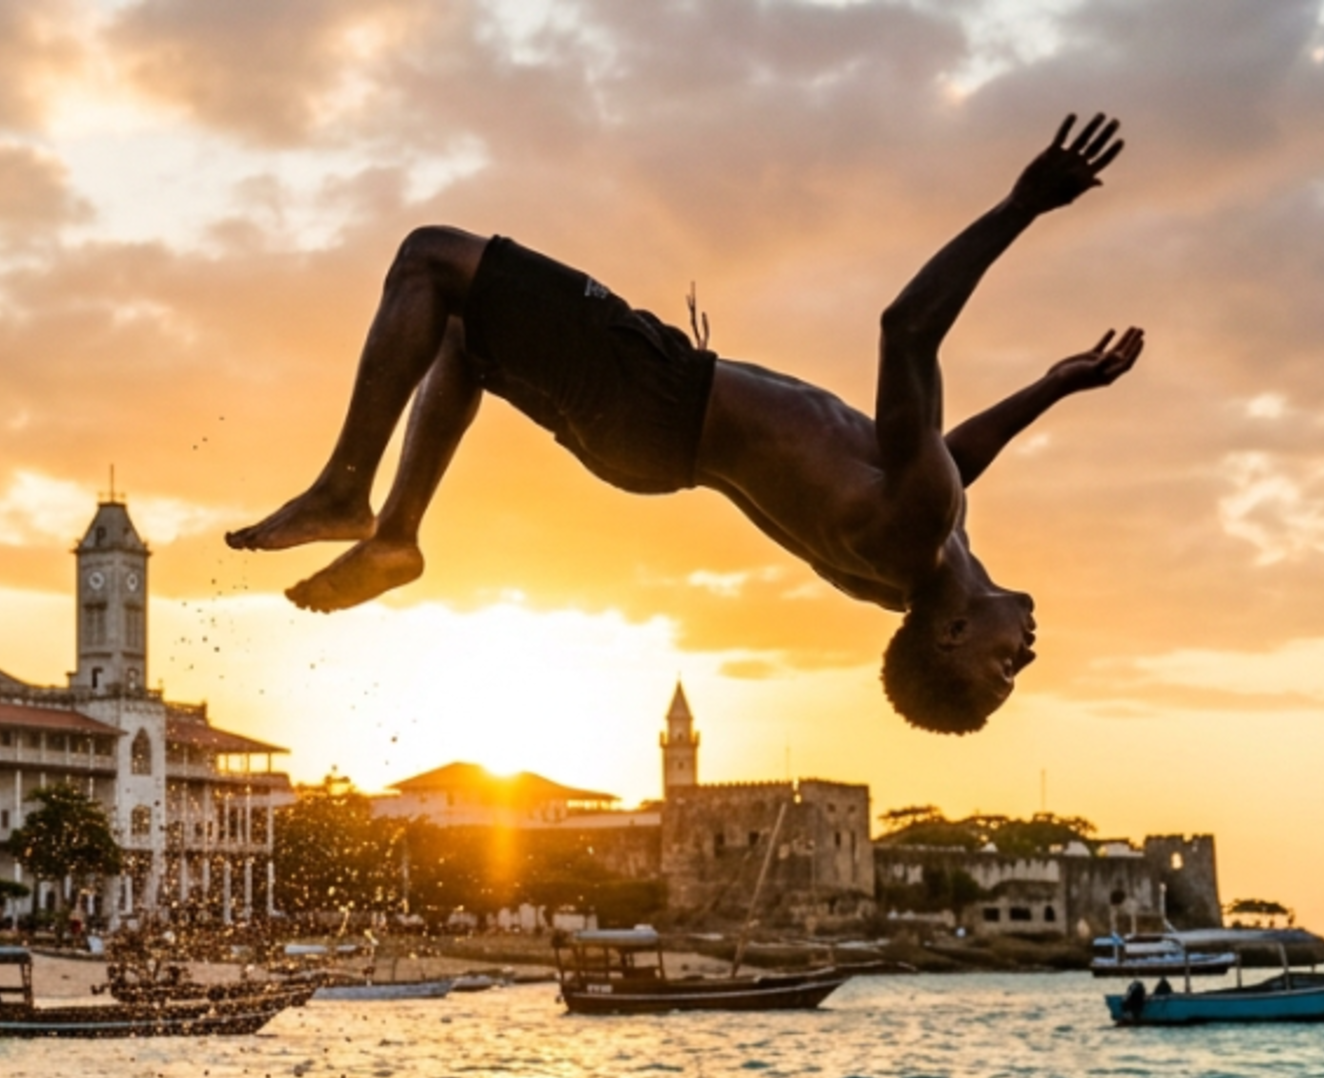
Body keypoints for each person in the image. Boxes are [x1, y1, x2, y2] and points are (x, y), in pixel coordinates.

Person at [229, 113, 1140, 735]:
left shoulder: (918, 529)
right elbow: (946, 458)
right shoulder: (922, 555)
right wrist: (1054, 386)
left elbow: (906, 330)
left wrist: (1021, 205)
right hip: (652, 436)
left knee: (429, 261)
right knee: (462, 334)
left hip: (659, 397)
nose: (1025, 655)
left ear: (947, 637)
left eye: (1002, 670)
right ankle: (396, 536)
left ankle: (351, 491)